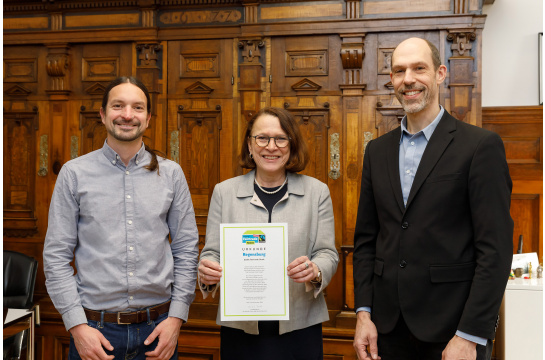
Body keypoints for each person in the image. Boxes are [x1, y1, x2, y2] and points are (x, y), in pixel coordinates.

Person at [352, 38, 513, 360]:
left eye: (418, 68)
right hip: (386, 330)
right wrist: (363, 313)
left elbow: (494, 250)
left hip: (452, 332)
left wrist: (470, 335)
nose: (408, 79)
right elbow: (367, 241)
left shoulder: (480, 147)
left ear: (440, 74)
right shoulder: (377, 151)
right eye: (399, 71)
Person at [43, 77, 199, 360]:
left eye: (137, 108)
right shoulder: (74, 173)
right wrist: (77, 326)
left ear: (148, 118)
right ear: (103, 114)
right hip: (95, 333)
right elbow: (55, 256)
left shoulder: (171, 174)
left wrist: (176, 320)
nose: (128, 115)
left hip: (158, 331)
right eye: (118, 106)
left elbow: (186, 250)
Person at [198, 107, 339, 359]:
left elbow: (327, 252)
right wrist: (208, 270)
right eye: (262, 138)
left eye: (281, 139)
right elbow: (212, 252)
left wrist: (315, 270)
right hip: (241, 326)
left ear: (291, 146)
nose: (271, 146)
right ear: (250, 146)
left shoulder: (317, 192)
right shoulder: (224, 192)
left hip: (299, 324)